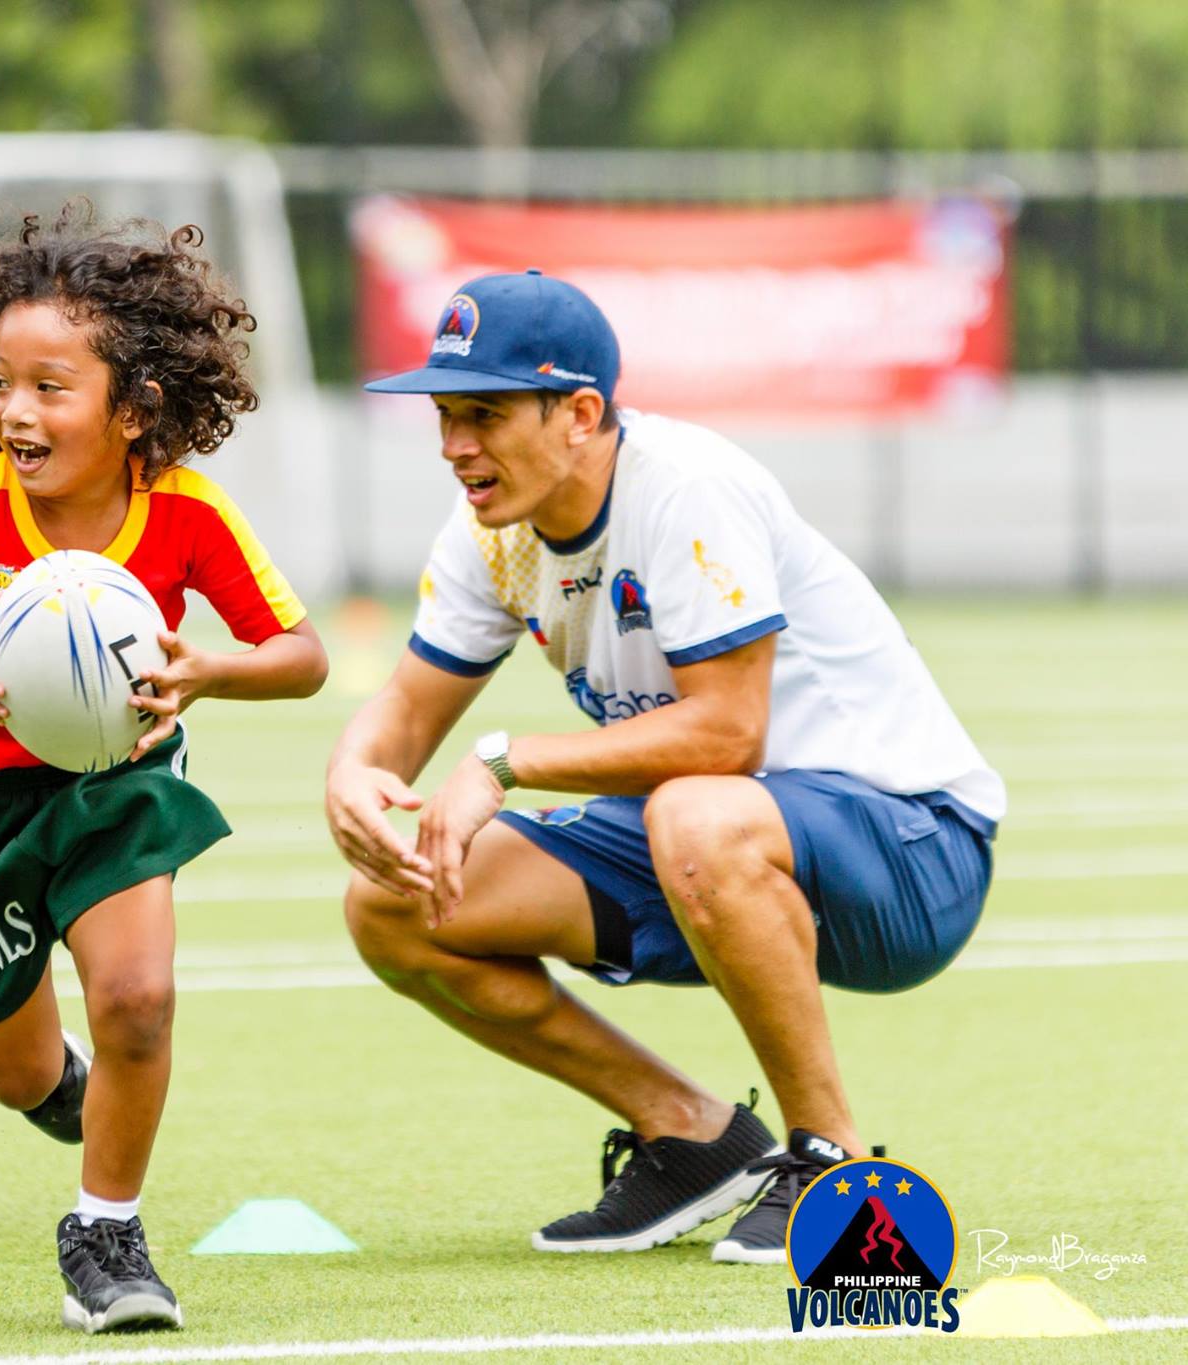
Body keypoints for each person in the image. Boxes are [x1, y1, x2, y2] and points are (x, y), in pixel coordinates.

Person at [326, 270, 1004, 1263]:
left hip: (911, 844)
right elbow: (401, 709)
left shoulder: (683, 488)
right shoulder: (489, 530)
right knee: (395, 902)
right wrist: (351, 774)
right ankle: (687, 1136)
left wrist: (500, 762)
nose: (452, 445)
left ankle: (832, 1162)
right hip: (715, 837)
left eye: (482, 412)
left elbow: (726, 733)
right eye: (442, 414)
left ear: (580, 413)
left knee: (693, 810)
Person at [0, 210, 328, 1332]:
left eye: (49, 387)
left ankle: (105, 1229)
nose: (14, 411)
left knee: (138, 999)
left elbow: (301, 656)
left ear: (134, 409)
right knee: (10, 1072)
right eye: (2, 382)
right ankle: (59, 1086)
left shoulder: (184, 514)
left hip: (115, 787)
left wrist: (208, 671)